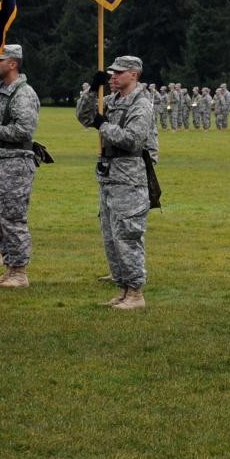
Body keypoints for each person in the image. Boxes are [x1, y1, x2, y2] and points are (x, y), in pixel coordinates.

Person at [78, 55, 160, 309]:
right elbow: (84, 117)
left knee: (127, 235)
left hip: (129, 177)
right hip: (109, 176)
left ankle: (136, 292)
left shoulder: (142, 104)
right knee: (111, 237)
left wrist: (104, 126)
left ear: (134, 74)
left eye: (119, 73)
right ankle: (123, 288)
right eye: (112, 72)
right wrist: (93, 91)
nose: (113, 76)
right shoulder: (111, 101)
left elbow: (132, 139)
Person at [0, 44, 40, 289]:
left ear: (13, 63)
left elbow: (24, 130)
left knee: (13, 218)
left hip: (15, 161)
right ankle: (9, 266)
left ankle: (19, 271)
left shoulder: (23, 93)